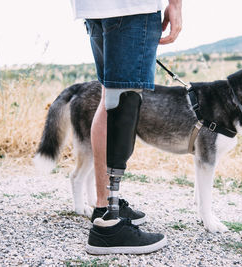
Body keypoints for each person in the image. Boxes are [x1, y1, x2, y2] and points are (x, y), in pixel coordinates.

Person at [70, 0, 182, 254]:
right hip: (132, 8)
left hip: (94, 8)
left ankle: (105, 207)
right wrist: (175, 4)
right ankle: (109, 226)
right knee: (123, 99)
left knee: (110, 97)